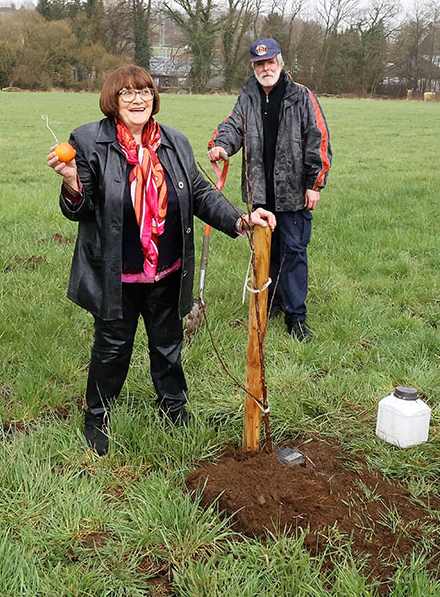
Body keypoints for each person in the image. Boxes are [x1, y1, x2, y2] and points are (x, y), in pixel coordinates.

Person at [47, 66, 274, 456]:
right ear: (113, 100)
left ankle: (173, 407)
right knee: (112, 348)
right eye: (128, 94)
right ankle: (98, 416)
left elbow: (201, 192)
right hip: (116, 272)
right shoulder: (88, 141)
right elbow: (80, 209)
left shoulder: (174, 141)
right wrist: (71, 180)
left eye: (146, 92)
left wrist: (240, 220)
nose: (139, 100)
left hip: (167, 269)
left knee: (167, 344)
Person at [207, 38, 331, 341]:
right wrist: (221, 146)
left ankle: (296, 317)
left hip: (293, 194)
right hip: (260, 195)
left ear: (280, 62)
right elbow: (232, 126)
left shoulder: (301, 96)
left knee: (294, 252)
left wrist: (314, 184)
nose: (266, 68)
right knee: (266, 252)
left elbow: (318, 139)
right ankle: (272, 302)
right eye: (259, 64)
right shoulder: (247, 95)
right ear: (254, 67)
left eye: (270, 62)